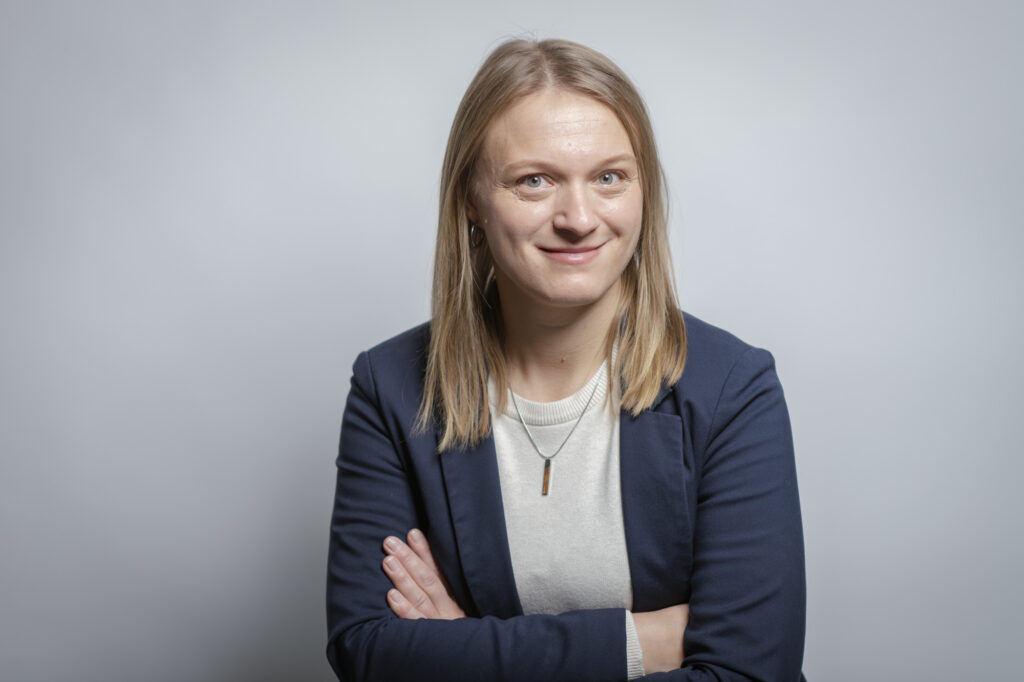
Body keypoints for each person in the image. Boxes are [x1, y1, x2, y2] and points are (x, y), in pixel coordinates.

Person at [326, 38, 806, 681]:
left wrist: (465, 649)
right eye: (535, 181)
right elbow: (366, 652)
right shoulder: (390, 387)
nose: (578, 218)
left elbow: (748, 673)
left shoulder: (732, 389)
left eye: (609, 178)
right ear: (471, 200)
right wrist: (640, 643)